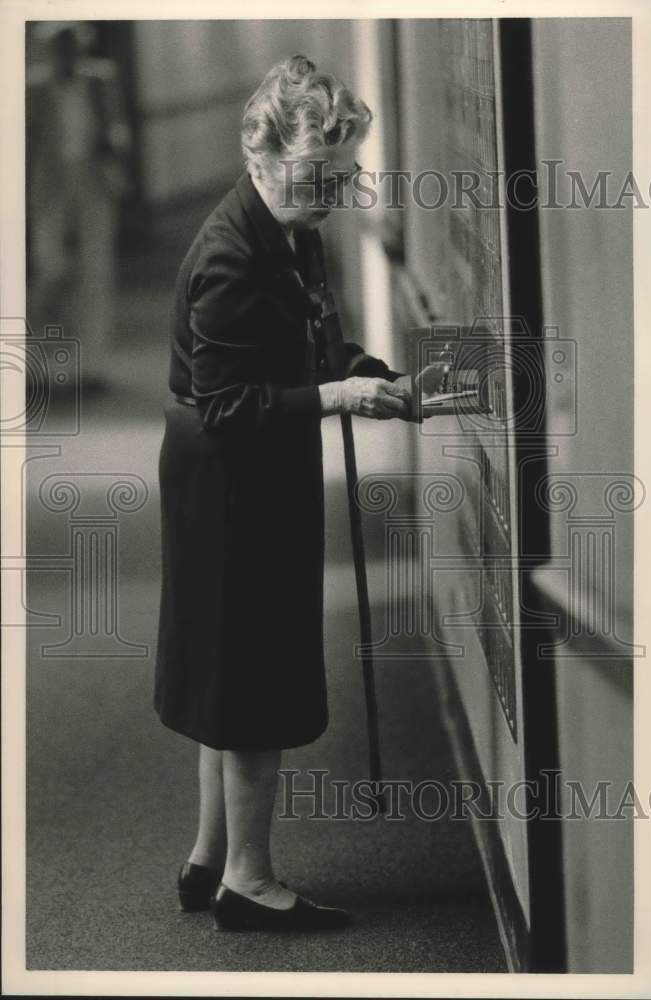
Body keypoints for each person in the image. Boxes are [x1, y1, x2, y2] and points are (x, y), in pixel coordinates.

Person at [154, 54, 417, 933]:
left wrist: (368, 376)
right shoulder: (231, 257)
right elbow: (229, 406)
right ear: (258, 156)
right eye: (317, 177)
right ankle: (250, 881)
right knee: (252, 680)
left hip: (250, 472)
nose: (330, 195)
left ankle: (205, 860)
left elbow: (310, 341)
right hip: (230, 480)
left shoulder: (287, 227)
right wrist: (336, 397)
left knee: (227, 675)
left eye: (341, 178)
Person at [26, 22, 131, 393]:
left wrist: (114, 146)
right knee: (51, 270)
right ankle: (30, 363)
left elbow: (118, 127)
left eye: (74, 46)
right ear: (51, 51)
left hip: (93, 183)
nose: (68, 55)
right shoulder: (32, 88)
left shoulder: (101, 79)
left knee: (96, 271)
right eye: (61, 48)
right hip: (50, 189)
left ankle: (92, 367)